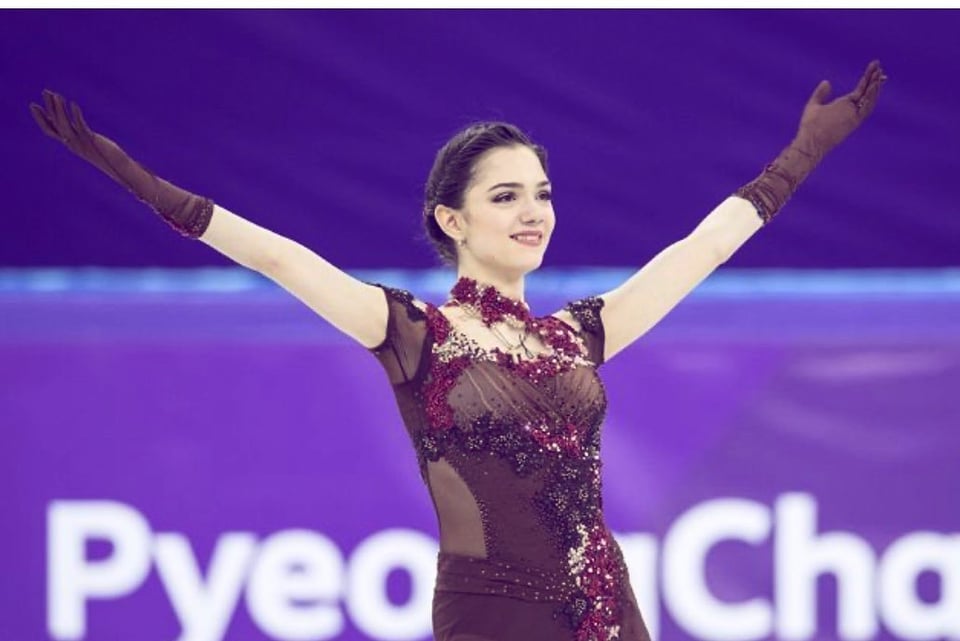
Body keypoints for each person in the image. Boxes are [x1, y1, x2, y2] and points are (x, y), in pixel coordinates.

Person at [31, 60, 886, 641]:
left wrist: (804, 151)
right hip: (490, 614)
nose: (533, 212)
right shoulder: (412, 334)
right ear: (453, 218)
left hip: (604, 607)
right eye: (506, 195)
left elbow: (702, 247)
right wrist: (142, 183)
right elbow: (280, 256)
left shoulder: (580, 332)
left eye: (543, 194)